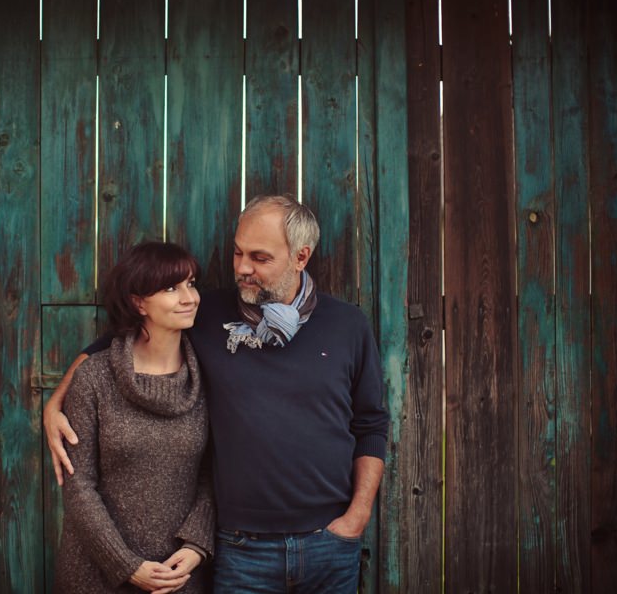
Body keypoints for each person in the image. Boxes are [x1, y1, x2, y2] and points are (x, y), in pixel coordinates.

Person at [46, 196, 389, 593]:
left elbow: (371, 424)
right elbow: (114, 344)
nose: (242, 268)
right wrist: (55, 401)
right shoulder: (205, 313)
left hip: (329, 545)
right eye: (238, 252)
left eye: (260, 258)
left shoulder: (347, 324)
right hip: (242, 550)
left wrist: (357, 517)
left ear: (301, 257)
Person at [52, 242, 214, 594]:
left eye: (191, 284)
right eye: (171, 288)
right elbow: (79, 485)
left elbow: (211, 473)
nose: (189, 298)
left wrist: (197, 545)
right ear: (139, 303)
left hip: (178, 575)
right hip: (95, 573)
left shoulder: (207, 377)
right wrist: (126, 564)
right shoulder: (95, 377)